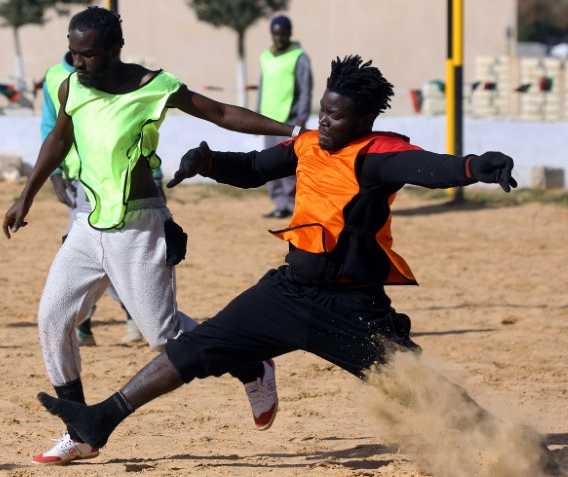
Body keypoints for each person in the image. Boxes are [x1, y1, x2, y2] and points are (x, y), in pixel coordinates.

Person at [33, 55, 538, 468]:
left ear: (363, 121)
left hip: (352, 310)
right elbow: (255, 167)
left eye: (336, 116)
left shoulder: (378, 154)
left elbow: (429, 167)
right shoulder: (309, 145)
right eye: (322, 112)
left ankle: (506, 442)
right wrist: (210, 162)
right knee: (195, 349)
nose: (324, 121)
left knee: (417, 390)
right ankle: (101, 420)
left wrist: (475, 166)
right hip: (288, 293)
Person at [3, 6, 303, 466]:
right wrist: (26, 195)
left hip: (139, 225)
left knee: (164, 337)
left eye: (87, 55)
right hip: (88, 223)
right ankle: (79, 431)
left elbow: (221, 112)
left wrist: (294, 132)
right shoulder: (71, 86)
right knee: (52, 318)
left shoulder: (153, 87)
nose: (77, 62)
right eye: (72, 52)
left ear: (114, 50)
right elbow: (59, 140)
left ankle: (251, 365)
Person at [41, 51, 143, 347]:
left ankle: (133, 317)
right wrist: (54, 174)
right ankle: (83, 327)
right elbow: (50, 128)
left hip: (115, 178)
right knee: (82, 251)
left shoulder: (113, 75)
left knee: (113, 251)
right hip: (78, 181)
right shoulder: (55, 77)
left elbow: (136, 127)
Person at [256, 15, 312, 219]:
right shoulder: (266, 56)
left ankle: (293, 205)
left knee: (288, 166)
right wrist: (256, 115)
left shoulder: (299, 57)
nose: (279, 38)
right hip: (267, 120)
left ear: (289, 33)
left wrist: (302, 118)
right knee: (270, 164)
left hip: (289, 120)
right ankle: (280, 204)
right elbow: (263, 87)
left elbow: (305, 90)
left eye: (282, 33)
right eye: (275, 34)